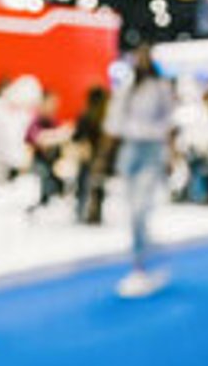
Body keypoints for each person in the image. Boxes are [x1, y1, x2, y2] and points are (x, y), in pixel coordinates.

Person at [104, 46, 177, 298]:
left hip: (151, 151)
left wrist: (170, 155)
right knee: (132, 209)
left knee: (140, 209)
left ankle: (140, 265)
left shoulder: (161, 88)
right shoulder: (126, 89)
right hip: (130, 151)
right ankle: (144, 255)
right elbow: (114, 123)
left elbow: (168, 123)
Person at [71, 85, 111, 225]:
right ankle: (95, 213)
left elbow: (76, 137)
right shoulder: (107, 118)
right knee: (98, 188)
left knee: (83, 186)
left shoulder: (85, 116)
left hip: (87, 157)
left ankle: (81, 213)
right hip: (103, 158)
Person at [25, 92, 69, 211]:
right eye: (51, 103)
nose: (54, 106)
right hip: (38, 163)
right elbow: (36, 138)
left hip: (54, 163)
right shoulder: (34, 120)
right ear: (42, 103)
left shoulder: (54, 121)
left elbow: (64, 136)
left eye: (55, 104)